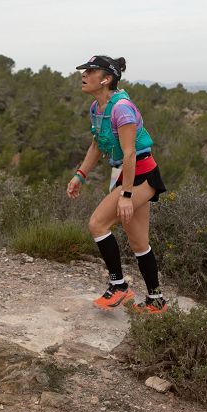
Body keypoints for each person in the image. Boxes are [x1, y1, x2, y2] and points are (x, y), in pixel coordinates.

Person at [66, 55, 168, 314]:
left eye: (90, 71)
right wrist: (80, 174)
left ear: (106, 79)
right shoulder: (96, 108)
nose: (84, 75)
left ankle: (118, 285)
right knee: (139, 242)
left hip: (141, 174)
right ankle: (156, 300)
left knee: (97, 223)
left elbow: (131, 153)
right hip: (126, 173)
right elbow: (97, 145)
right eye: (84, 70)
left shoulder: (121, 108)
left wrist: (125, 194)